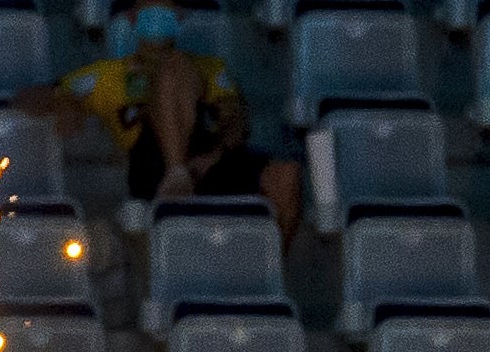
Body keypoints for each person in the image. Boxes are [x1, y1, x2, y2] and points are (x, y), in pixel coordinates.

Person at [25, 5, 295, 231]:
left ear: (180, 16)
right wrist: (65, 102)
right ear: (132, 16)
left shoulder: (210, 68)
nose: (160, 13)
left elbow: (237, 119)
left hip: (208, 159)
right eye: (150, 6)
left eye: (168, 7)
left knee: (286, 176)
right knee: (170, 68)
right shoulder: (106, 76)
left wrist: (215, 155)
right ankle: (176, 174)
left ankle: (267, 268)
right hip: (150, 164)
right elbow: (31, 97)